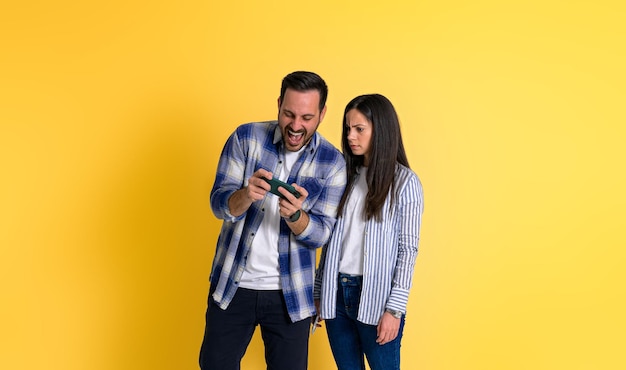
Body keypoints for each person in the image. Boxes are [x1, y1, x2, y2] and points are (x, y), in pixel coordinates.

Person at [199, 71, 347, 370]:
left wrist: (295, 216)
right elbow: (218, 203)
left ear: (322, 114)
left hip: (290, 294)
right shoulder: (246, 138)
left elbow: (323, 234)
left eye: (306, 117)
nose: (295, 126)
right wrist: (245, 195)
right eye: (288, 114)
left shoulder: (333, 162)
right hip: (233, 284)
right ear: (279, 104)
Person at [314, 94, 424, 370]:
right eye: (348, 129)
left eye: (359, 129)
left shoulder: (405, 183)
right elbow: (330, 240)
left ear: (381, 130)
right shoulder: (344, 177)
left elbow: (407, 250)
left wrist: (394, 309)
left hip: (376, 298)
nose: (351, 136)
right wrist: (319, 292)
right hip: (336, 295)